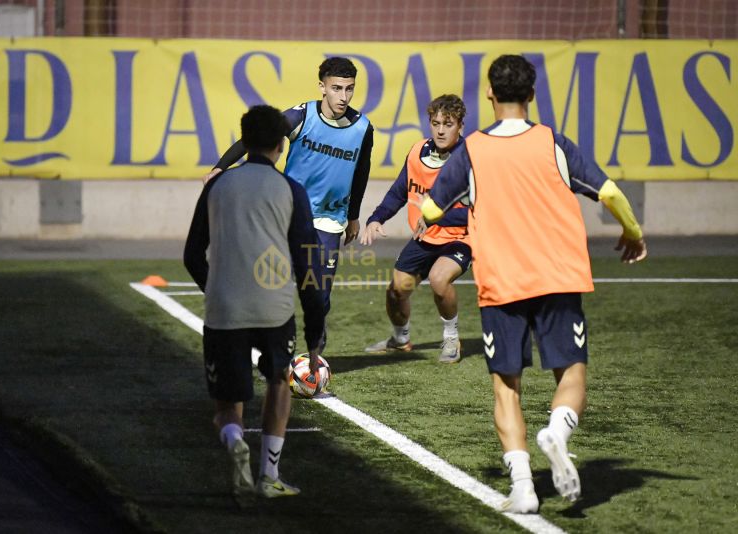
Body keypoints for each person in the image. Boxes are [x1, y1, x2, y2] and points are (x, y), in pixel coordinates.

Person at [420, 55, 647, 513]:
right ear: (532, 95)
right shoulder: (553, 142)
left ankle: (523, 488)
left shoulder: (473, 151)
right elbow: (610, 193)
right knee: (572, 372)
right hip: (558, 277)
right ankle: (557, 433)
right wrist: (633, 233)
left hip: (501, 281)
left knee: (507, 386)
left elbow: (430, 211)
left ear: (489, 93)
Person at [184, 105, 325, 503]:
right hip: (275, 309)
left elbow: (193, 255)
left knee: (228, 402)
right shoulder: (291, 191)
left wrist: (214, 290)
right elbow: (308, 266)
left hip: (225, 309)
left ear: (243, 142)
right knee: (279, 381)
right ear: (282, 145)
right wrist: (315, 338)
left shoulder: (217, 187)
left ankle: (233, 442)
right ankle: (270, 474)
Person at [204, 57, 374, 352]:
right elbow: (257, 137)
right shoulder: (301, 116)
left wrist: (354, 216)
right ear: (322, 87)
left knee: (319, 295)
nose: (343, 97)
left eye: (349, 89)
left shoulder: (362, 128)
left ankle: (313, 360)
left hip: (329, 220)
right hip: (286, 213)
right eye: (336, 88)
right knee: (267, 285)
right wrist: (220, 167)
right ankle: (262, 348)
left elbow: (361, 171)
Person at [360, 94, 471, 364]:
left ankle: (451, 338)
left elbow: (482, 211)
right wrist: (377, 218)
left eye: (449, 123)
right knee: (396, 291)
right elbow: (400, 191)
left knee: (439, 279)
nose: (441, 130)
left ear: (461, 126)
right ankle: (400, 340)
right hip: (424, 240)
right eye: (436, 123)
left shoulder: (471, 160)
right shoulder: (418, 151)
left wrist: (438, 217)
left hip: (460, 239)